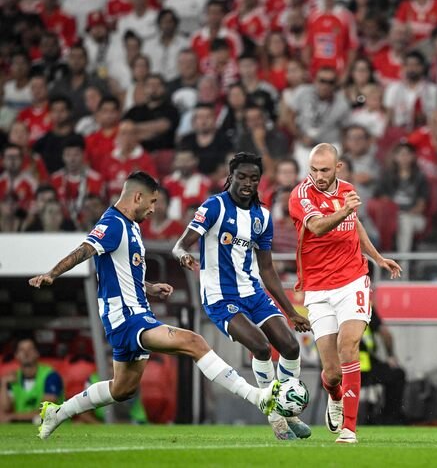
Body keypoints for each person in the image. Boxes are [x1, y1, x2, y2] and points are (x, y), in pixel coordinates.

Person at [29, 171, 280, 440]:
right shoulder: (113, 223)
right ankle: (256, 397)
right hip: (128, 317)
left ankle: (58, 413)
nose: (153, 209)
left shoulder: (131, 227)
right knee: (194, 342)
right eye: (151, 202)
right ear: (137, 196)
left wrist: (149, 287)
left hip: (131, 314)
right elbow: (84, 250)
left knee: (122, 389)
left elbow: (120, 272)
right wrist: (52, 274)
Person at [172, 153, 313, 441]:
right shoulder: (214, 206)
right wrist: (185, 254)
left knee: (290, 346)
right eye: (242, 177)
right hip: (220, 296)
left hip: (252, 291)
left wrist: (291, 312)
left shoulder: (262, 216)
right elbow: (179, 245)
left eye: (254, 179)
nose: (248, 183)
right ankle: (277, 417)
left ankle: (287, 409)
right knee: (261, 348)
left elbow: (267, 269)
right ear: (231, 177)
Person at [288, 143, 401, 444]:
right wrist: (348, 209)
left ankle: (350, 429)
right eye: (313, 169)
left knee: (348, 346)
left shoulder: (347, 189)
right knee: (332, 372)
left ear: (338, 168)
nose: (318, 176)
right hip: (318, 288)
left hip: (353, 280)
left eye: (324, 170)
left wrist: (376, 257)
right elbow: (319, 227)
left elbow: (355, 226)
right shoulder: (300, 196)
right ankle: (335, 396)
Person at [0, 338, 64, 423]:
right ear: (16, 355)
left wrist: (12, 417)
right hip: (21, 431)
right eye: (21, 350)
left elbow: (45, 411)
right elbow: (4, 411)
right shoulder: (13, 378)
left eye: (30, 349)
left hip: (54, 430)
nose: (26, 353)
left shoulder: (51, 376)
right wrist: (4, 383)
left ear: (37, 353)